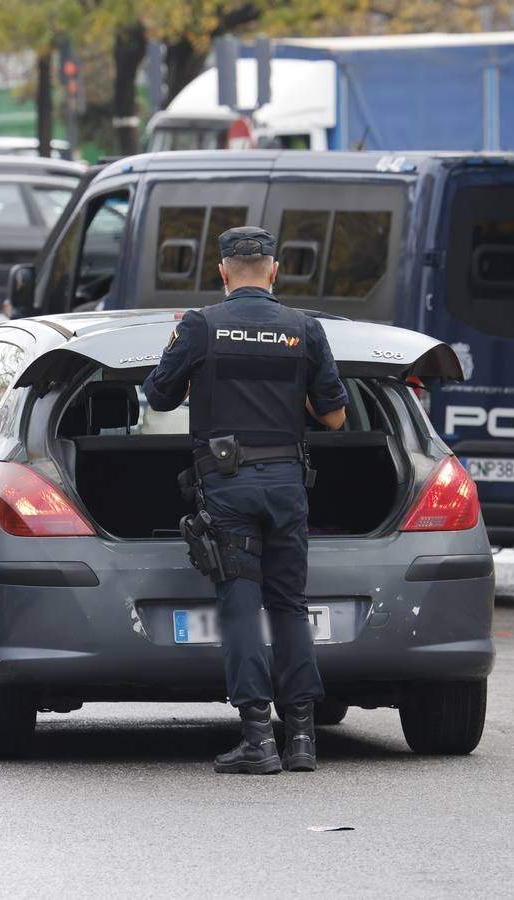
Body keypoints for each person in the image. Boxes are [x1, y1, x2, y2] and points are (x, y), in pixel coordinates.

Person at [143, 226, 347, 774]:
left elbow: (158, 396)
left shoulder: (200, 325)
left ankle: (258, 741)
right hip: (287, 485)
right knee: (289, 607)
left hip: (228, 485)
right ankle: (302, 740)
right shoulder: (305, 330)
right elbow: (334, 416)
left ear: (224, 272)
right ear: (275, 271)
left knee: (240, 606)